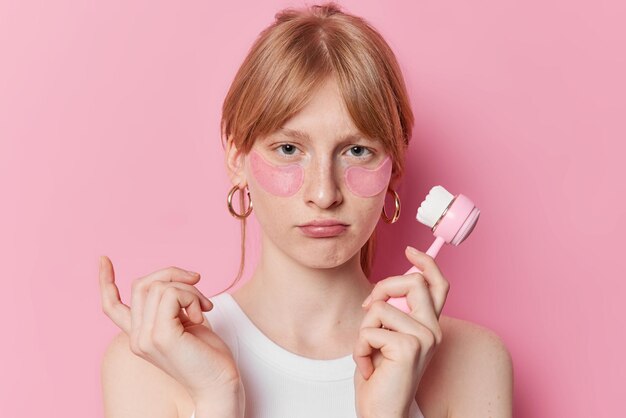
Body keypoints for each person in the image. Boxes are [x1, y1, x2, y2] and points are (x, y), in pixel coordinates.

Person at [99, 3, 513, 418]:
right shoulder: (151, 362)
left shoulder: (473, 363)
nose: (323, 192)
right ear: (237, 158)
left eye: (357, 150)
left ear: (394, 166)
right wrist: (216, 398)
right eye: (289, 149)